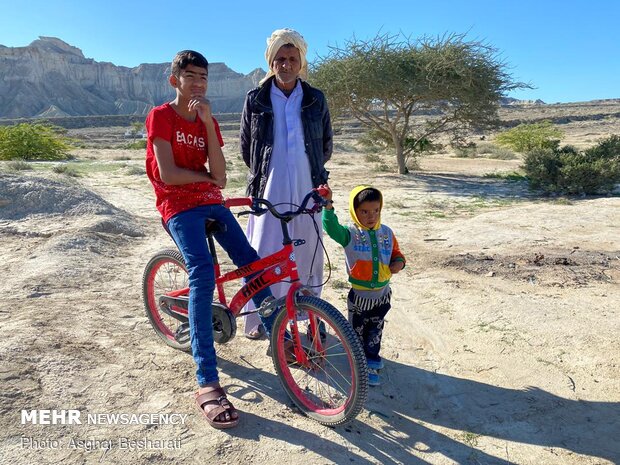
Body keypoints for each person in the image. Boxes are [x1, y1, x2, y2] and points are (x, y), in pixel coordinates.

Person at [145, 50, 274, 429]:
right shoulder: (160, 116)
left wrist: (205, 124)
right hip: (178, 207)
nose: (198, 83)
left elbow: (220, 174)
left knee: (251, 261)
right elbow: (168, 175)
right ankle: (206, 380)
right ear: (175, 80)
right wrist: (205, 179)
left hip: (211, 203)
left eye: (203, 76)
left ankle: (276, 329)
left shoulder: (209, 120)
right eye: (190, 76)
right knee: (202, 273)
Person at [240, 28, 333, 339]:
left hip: (308, 186)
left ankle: (310, 318)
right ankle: (261, 320)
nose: (286, 64)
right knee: (265, 251)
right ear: (272, 61)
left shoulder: (315, 99)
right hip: (269, 186)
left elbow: (326, 146)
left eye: (292, 58)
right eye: (280, 58)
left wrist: (305, 170)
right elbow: (246, 148)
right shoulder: (256, 98)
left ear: (300, 61)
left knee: (308, 253)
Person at [320, 184, 406, 386]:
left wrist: (399, 263)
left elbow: (398, 254)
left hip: (382, 294)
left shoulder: (387, 233)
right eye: (364, 211)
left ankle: (372, 359)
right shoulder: (350, 235)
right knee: (357, 332)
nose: (371, 216)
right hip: (360, 297)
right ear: (355, 211)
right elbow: (331, 228)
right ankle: (359, 366)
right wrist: (328, 205)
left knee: (375, 330)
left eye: (376, 210)